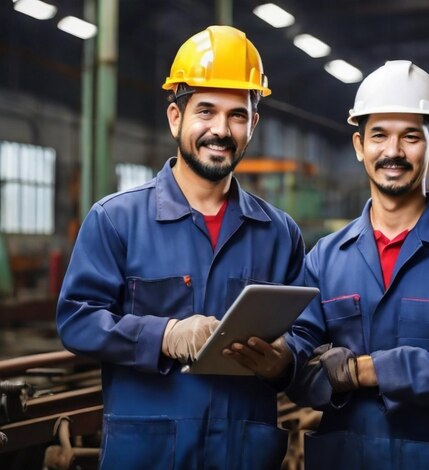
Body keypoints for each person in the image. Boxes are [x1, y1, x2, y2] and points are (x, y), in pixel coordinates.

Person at [57, 25, 303, 469]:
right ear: (176, 118)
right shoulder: (117, 220)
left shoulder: (280, 233)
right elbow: (77, 321)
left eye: (238, 115)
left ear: (253, 125)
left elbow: (306, 337)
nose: (221, 130)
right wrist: (165, 335)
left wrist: (285, 361)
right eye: (205, 111)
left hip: (242, 454)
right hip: (148, 454)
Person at [283, 61, 429, 469]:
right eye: (379, 136)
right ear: (359, 146)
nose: (393, 152)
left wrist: (371, 370)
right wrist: (279, 359)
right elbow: (301, 367)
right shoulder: (324, 258)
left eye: (410, 136)